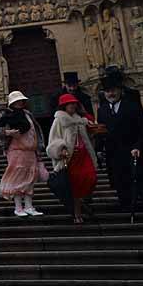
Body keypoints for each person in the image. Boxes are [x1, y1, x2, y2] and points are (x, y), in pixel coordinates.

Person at [0, 91, 48, 217]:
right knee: (18, 176)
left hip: (30, 150)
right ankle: (18, 207)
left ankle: (29, 205)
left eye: (21, 101)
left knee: (30, 177)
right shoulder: (5, 114)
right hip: (16, 150)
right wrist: (7, 132)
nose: (19, 103)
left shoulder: (27, 114)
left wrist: (38, 148)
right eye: (17, 101)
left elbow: (34, 130)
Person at [95, 68, 143, 212]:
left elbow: (141, 129)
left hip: (131, 150)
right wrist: (99, 148)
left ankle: (139, 204)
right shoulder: (102, 110)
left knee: (135, 177)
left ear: (120, 91)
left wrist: (138, 146)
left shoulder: (132, 106)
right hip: (113, 152)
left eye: (113, 90)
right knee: (118, 179)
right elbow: (101, 131)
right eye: (107, 91)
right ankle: (125, 204)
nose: (111, 94)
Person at [48, 93, 98, 224]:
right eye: (70, 104)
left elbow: (88, 135)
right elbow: (53, 139)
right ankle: (77, 213)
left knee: (91, 177)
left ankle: (82, 203)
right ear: (64, 106)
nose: (73, 106)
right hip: (70, 158)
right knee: (75, 186)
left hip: (84, 155)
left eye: (74, 103)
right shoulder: (59, 120)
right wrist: (60, 148)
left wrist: (92, 129)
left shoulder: (80, 119)